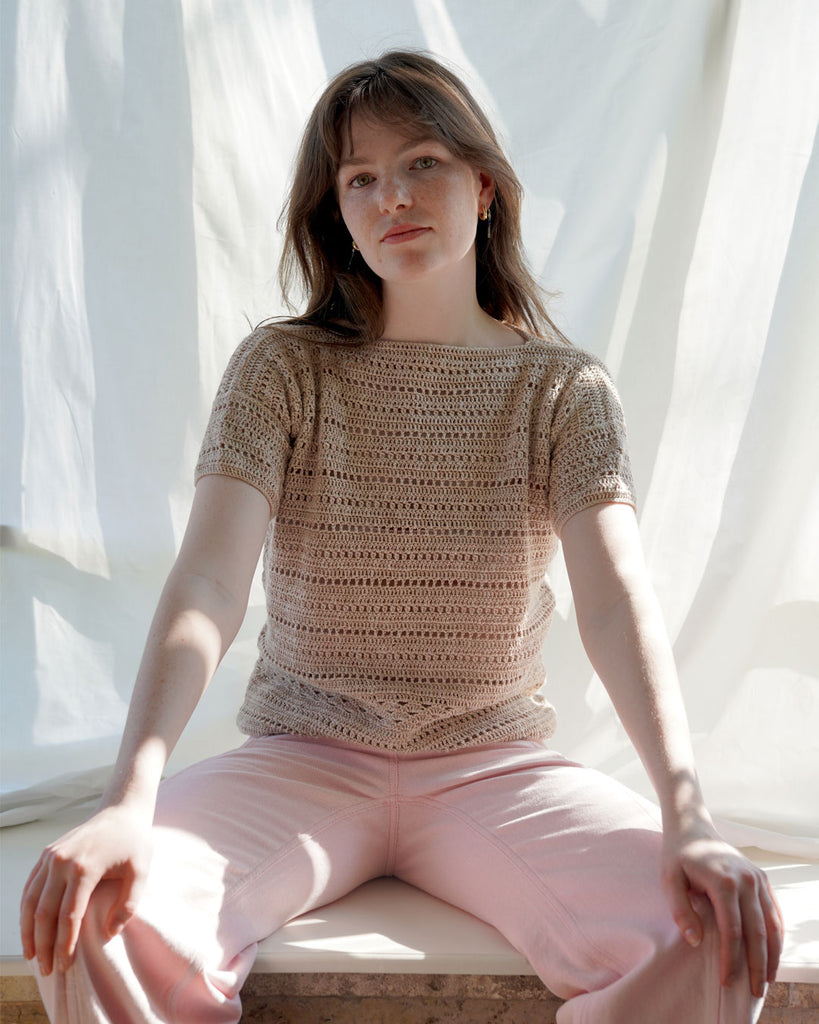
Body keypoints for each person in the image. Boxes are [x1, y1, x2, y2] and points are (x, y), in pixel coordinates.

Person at [20, 50, 783, 1023]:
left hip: (491, 767)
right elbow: (208, 585)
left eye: (423, 162)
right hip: (300, 757)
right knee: (93, 912)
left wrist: (688, 815)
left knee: (717, 929)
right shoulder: (282, 369)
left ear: (485, 188)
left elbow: (614, 596)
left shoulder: (564, 390)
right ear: (336, 211)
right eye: (360, 178)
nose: (393, 197)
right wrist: (128, 800)